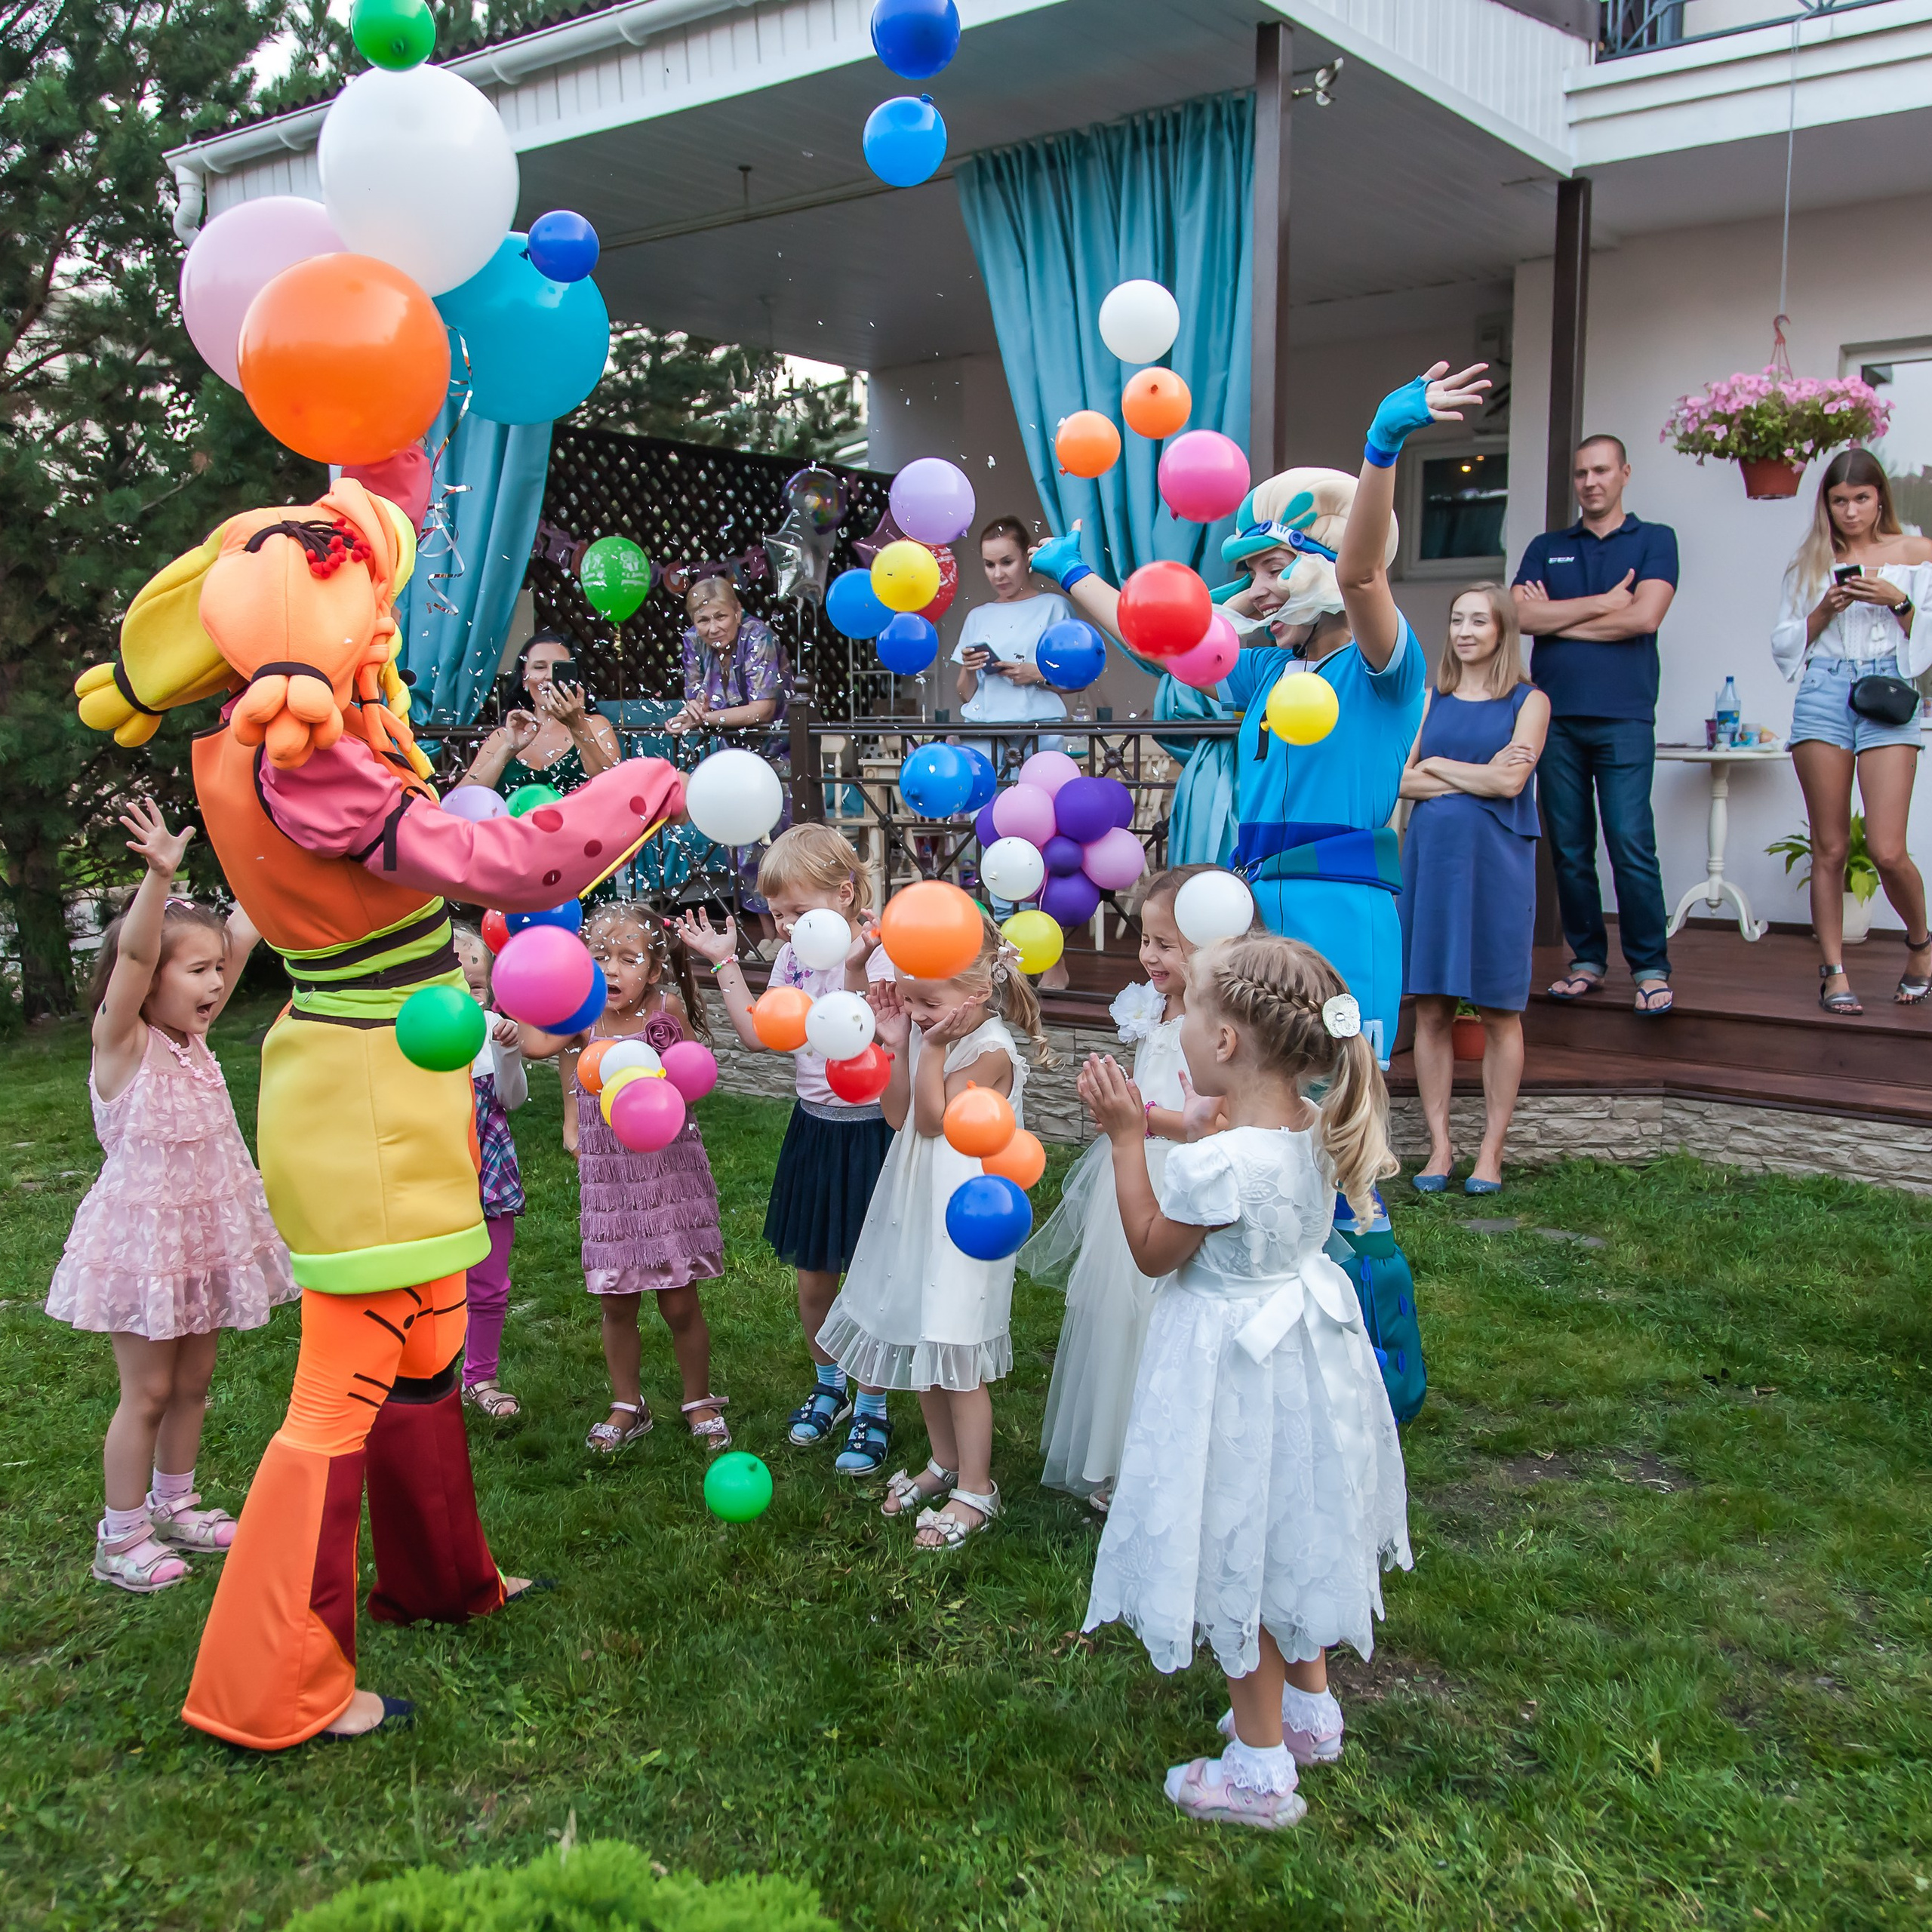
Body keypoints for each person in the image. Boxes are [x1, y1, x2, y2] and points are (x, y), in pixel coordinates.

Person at [76, 478, 685, 1748]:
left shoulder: (289, 735)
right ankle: (274, 1681)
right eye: (372, 622)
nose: (385, 642)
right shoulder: (304, 769)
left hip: (389, 1066)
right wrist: (643, 785)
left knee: (423, 1355)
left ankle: (438, 1578)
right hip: (363, 1088)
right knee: (344, 1385)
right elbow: (515, 866)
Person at [1034, 362, 1491, 1063]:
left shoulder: (1384, 670)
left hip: (1340, 908)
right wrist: (1075, 574)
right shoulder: (1271, 670)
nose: (1260, 589)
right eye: (1252, 573)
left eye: (1275, 568)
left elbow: (1361, 574)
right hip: (1255, 910)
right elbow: (1165, 645)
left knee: (1334, 1103)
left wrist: (1382, 445)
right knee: (1262, 1101)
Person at [1080, 934, 1411, 1831]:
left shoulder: (1219, 1161)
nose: (1180, 1022)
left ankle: (1260, 1770)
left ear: (1226, 1043)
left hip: (1231, 1363)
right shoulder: (1312, 1124)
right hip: (1300, 1355)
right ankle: (1308, 1714)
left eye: (1191, 1009)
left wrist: (1125, 1139)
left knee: (1239, 1548)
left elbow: (1152, 1251)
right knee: (1291, 1522)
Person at [45, 801, 295, 1594]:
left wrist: (293, 838)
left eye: (219, 970)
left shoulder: (197, 1045)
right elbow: (135, 955)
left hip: (203, 1238)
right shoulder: (123, 1044)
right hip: (145, 1246)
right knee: (147, 1390)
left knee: (192, 1382)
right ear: (148, 980)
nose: (218, 982)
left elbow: (251, 925)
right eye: (198, 971)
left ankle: (177, 1500)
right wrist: (160, 877)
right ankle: (120, 1535)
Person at [816, 915, 1053, 1548]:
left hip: (969, 1217)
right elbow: (897, 1116)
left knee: (956, 1345)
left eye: (927, 1001)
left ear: (974, 995)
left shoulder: (992, 1052)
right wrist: (898, 1042)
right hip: (916, 1198)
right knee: (919, 1330)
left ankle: (978, 1485)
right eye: (910, 999)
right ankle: (943, 1462)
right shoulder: (934, 1034)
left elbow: (931, 1121)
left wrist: (933, 1048)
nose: (916, 1011)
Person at [676, 826, 899, 1472]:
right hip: (814, 1127)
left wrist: (856, 968)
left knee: (871, 1276)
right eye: (776, 914)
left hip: (870, 1133)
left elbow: (868, 1042)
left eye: (799, 911)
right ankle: (828, 1383)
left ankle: (873, 1403)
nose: (785, 924)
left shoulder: (881, 956)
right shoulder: (791, 962)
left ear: (846, 894)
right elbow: (756, 1034)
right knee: (814, 1274)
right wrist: (722, 961)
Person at [1021, 866, 1216, 1510]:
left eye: (1168, 945)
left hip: (1177, 1180)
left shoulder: (1216, 1025)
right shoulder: (1154, 1007)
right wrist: (1119, 1103)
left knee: (1163, 1316)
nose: (1150, 955)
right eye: (1147, 940)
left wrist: (1131, 1116)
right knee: (1114, 1313)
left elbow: (1209, 1119)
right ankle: (1116, 1452)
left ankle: (1168, 1456)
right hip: (1129, 1174)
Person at [525, 901, 728, 1455]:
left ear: (655, 971)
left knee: (679, 1297)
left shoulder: (666, 1013)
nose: (611, 970)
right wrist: (524, 987)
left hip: (665, 1171)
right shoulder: (578, 1016)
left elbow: (689, 1075)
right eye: (598, 957)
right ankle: (627, 1403)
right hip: (611, 1177)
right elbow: (535, 1044)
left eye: (628, 958)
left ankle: (699, 1399)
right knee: (616, 1298)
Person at [1512, 435, 1680, 1016]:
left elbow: (1646, 616)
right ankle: (1586, 961)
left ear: (1624, 473)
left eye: (1601, 470)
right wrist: (1604, 605)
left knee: (1632, 844)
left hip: (1624, 717)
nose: (1590, 482)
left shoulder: (1655, 540)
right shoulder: (1547, 546)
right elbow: (1518, 616)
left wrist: (1558, 620)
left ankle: (1651, 967)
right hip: (1554, 719)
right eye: (1581, 472)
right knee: (1570, 848)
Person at [1770, 447, 1932, 1013]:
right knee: (1830, 847)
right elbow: (1785, 645)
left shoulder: (1916, 553)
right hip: (1823, 692)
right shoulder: (1812, 561)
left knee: (1888, 850)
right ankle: (1834, 972)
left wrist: (1900, 600)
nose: (1851, 511)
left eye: (1861, 498)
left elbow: (1928, 644)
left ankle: (1920, 946)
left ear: (1880, 497)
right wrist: (1825, 610)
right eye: (1839, 501)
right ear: (1827, 504)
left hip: (1889, 689)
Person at [1398, 585, 1549, 1194]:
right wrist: (1474, 777)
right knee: (1431, 1007)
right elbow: (1399, 780)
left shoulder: (1528, 700)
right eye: (1457, 619)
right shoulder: (1429, 701)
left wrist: (1439, 769)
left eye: (1478, 621)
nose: (1464, 630)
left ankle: (1491, 1150)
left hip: (1497, 867)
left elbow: (1513, 782)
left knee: (1498, 1009)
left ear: (1501, 631)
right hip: (1432, 864)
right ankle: (1440, 1148)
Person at [666, 577, 795, 928]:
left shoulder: (759, 636)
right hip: (733, 754)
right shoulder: (694, 642)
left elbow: (762, 709)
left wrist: (705, 719)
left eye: (720, 617)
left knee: (780, 844)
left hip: (778, 750)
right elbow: (697, 699)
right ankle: (765, 934)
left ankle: (791, 933)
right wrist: (688, 715)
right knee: (740, 842)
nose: (712, 628)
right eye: (703, 620)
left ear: (738, 613)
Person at [451, 921, 530, 1419]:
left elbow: (512, 1099)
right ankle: (425, 1375)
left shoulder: (491, 1031)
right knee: (429, 1283)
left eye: (477, 986)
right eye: (454, 984)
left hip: (488, 1166)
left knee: (489, 1281)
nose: (468, 997)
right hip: (433, 1171)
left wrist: (506, 1052)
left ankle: (479, 1377)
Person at [952, 515, 1075, 739]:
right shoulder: (977, 616)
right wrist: (970, 669)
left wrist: (1038, 674)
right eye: (990, 564)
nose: (998, 574)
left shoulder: (1054, 607)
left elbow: (1076, 681)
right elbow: (966, 695)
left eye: (1007, 562)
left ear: (1027, 557)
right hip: (983, 736)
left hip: (1039, 734)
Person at [462, 631, 621, 801]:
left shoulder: (595, 725)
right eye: (539, 667)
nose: (550, 676)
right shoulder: (502, 737)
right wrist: (508, 750)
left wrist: (578, 725)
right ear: (524, 679)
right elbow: (460, 802)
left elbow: (614, 792)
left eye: (559, 668)